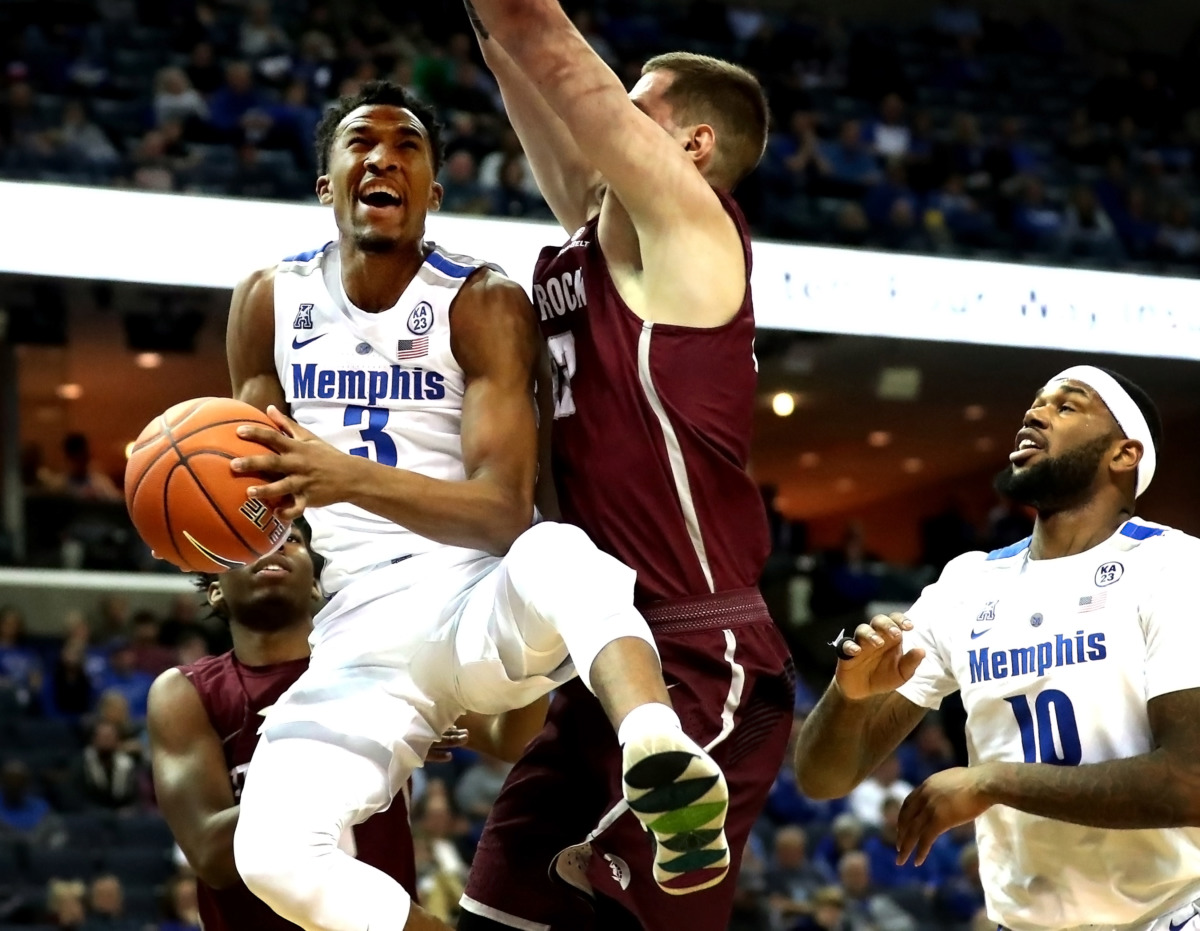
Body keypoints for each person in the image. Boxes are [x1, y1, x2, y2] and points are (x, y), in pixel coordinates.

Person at [222, 79, 725, 931]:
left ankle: (657, 746)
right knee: (269, 854)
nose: (383, 156)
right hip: (356, 633)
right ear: (326, 185)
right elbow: (252, 497)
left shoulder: (482, 299)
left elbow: (499, 511)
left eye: (407, 145)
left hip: (474, 601)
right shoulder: (268, 301)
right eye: (361, 143)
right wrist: (197, 518)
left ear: (433, 192)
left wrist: (342, 476)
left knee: (557, 550)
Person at [457, 4, 795, 930]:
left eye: (631, 106)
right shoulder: (598, 236)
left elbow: (549, 47)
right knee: (497, 909)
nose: (604, 115)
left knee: (609, 905)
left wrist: (515, 24)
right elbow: (522, 71)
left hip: (698, 648)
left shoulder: (693, 233)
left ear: (691, 145)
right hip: (599, 656)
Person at [794, 366, 1200, 931]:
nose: (1034, 415)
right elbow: (823, 779)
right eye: (1035, 403)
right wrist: (848, 694)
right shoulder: (968, 584)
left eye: (1066, 406)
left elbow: (1191, 782)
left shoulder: (1174, 567)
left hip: (1169, 916)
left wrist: (991, 781)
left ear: (1123, 454)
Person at [148, 520, 545, 931]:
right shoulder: (186, 693)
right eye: (246, 542)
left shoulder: (388, 659)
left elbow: (514, 740)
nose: (273, 548)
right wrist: (354, 745)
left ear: (318, 584)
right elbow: (210, 854)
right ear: (215, 589)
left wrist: (529, 641)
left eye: (291, 539)